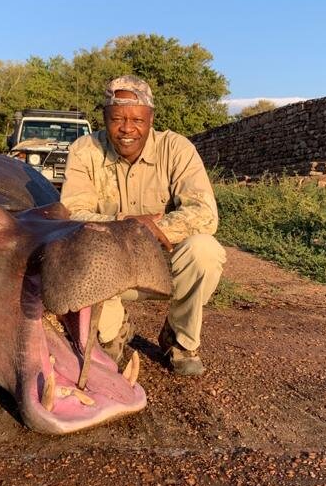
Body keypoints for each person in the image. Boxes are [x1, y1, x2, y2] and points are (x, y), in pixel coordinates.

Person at [60, 75, 226, 376]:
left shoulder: (176, 148)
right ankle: (113, 332)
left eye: (137, 119)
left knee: (204, 250)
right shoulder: (84, 150)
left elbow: (205, 214)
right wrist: (129, 225)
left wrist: (156, 228)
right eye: (117, 119)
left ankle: (179, 338)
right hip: (109, 264)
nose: (127, 129)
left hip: (162, 263)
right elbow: (73, 215)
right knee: (83, 253)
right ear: (104, 118)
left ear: (151, 119)